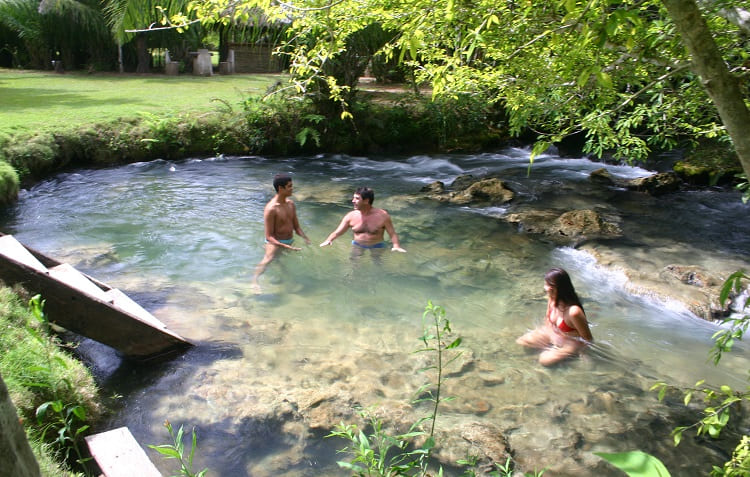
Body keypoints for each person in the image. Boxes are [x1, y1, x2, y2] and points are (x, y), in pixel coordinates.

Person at [516, 268, 593, 366]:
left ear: (554, 288)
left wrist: (584, 353)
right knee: (522, 341)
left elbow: (587, 338)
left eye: (546, 284)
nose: (544, 287)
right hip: (553, 333)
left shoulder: (574, 312)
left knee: (544, 360)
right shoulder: (552, 299)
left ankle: (570, 357)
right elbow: (547, 321)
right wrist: (546, 338)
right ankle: (551, 350)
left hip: (570, 341)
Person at [252, 173, 311, 288]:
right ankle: (254, 281)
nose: (292, 188)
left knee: (280, 262)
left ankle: (284, 282)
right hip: (274, 242)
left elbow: (296, 227)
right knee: (268, 259)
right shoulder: (271, 209)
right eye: (289, 186)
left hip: (289, 241)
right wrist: (284, 246)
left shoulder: (291, 204)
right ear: (280, 188)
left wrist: (305, 238)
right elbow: (269, 236)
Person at [319, 186, 406, 254]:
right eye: (353, 198)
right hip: (358, 245)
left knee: (378, 263)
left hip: (377, 245)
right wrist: (329, 240)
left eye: (357, 198)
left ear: (366, 201)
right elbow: (337, 232)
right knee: (354, 264)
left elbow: (392, 233)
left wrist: (396, 245)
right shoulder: (350, 216)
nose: (353, 201)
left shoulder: (382, 215)